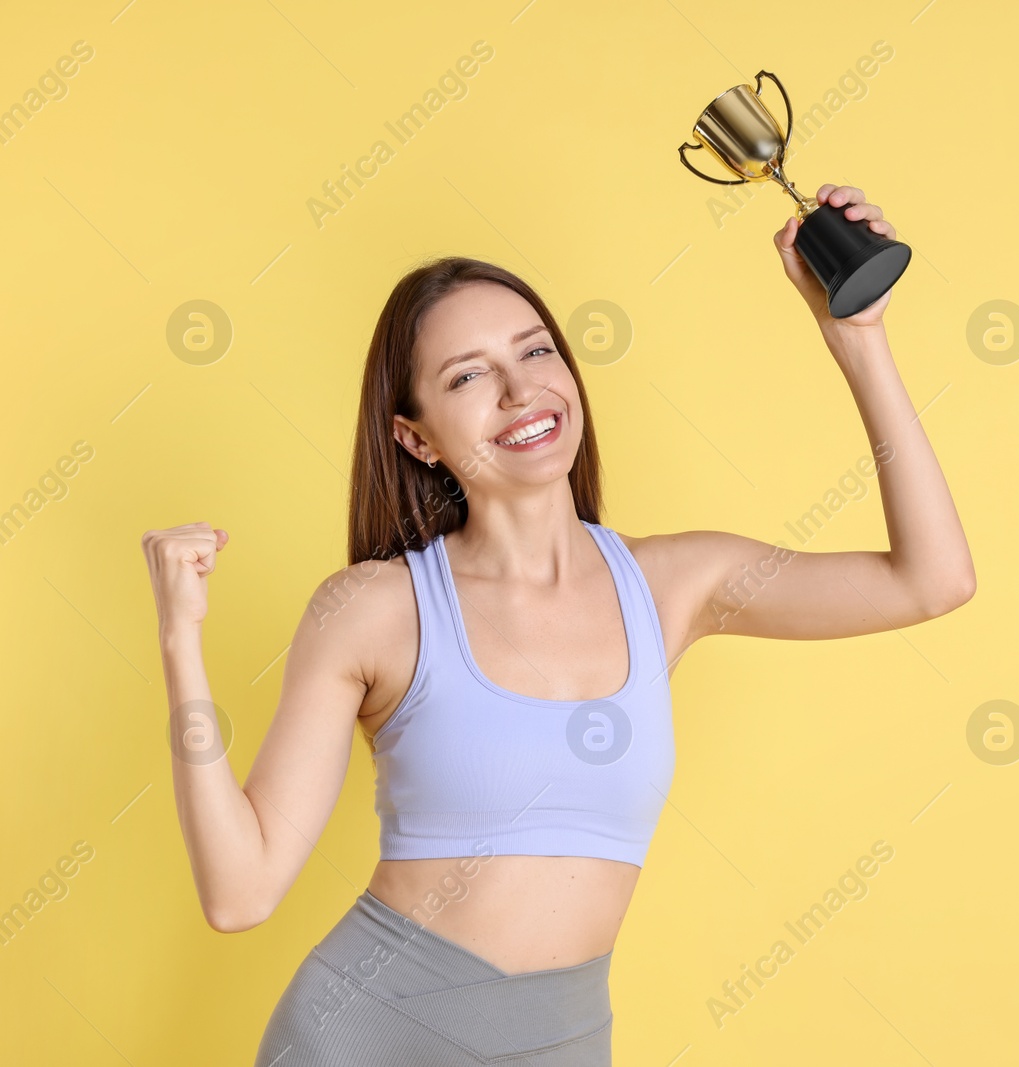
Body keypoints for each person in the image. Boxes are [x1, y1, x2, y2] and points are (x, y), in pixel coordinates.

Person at [142, 184, 975, 1065]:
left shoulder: (674, 585)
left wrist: (859, 339)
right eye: (466, 375)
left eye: (535, 350)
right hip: (365, 1037)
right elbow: (240, 894)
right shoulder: (374, 608)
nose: (519, 389)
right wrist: (179, 639)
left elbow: (932, 579)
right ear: (415, 437)